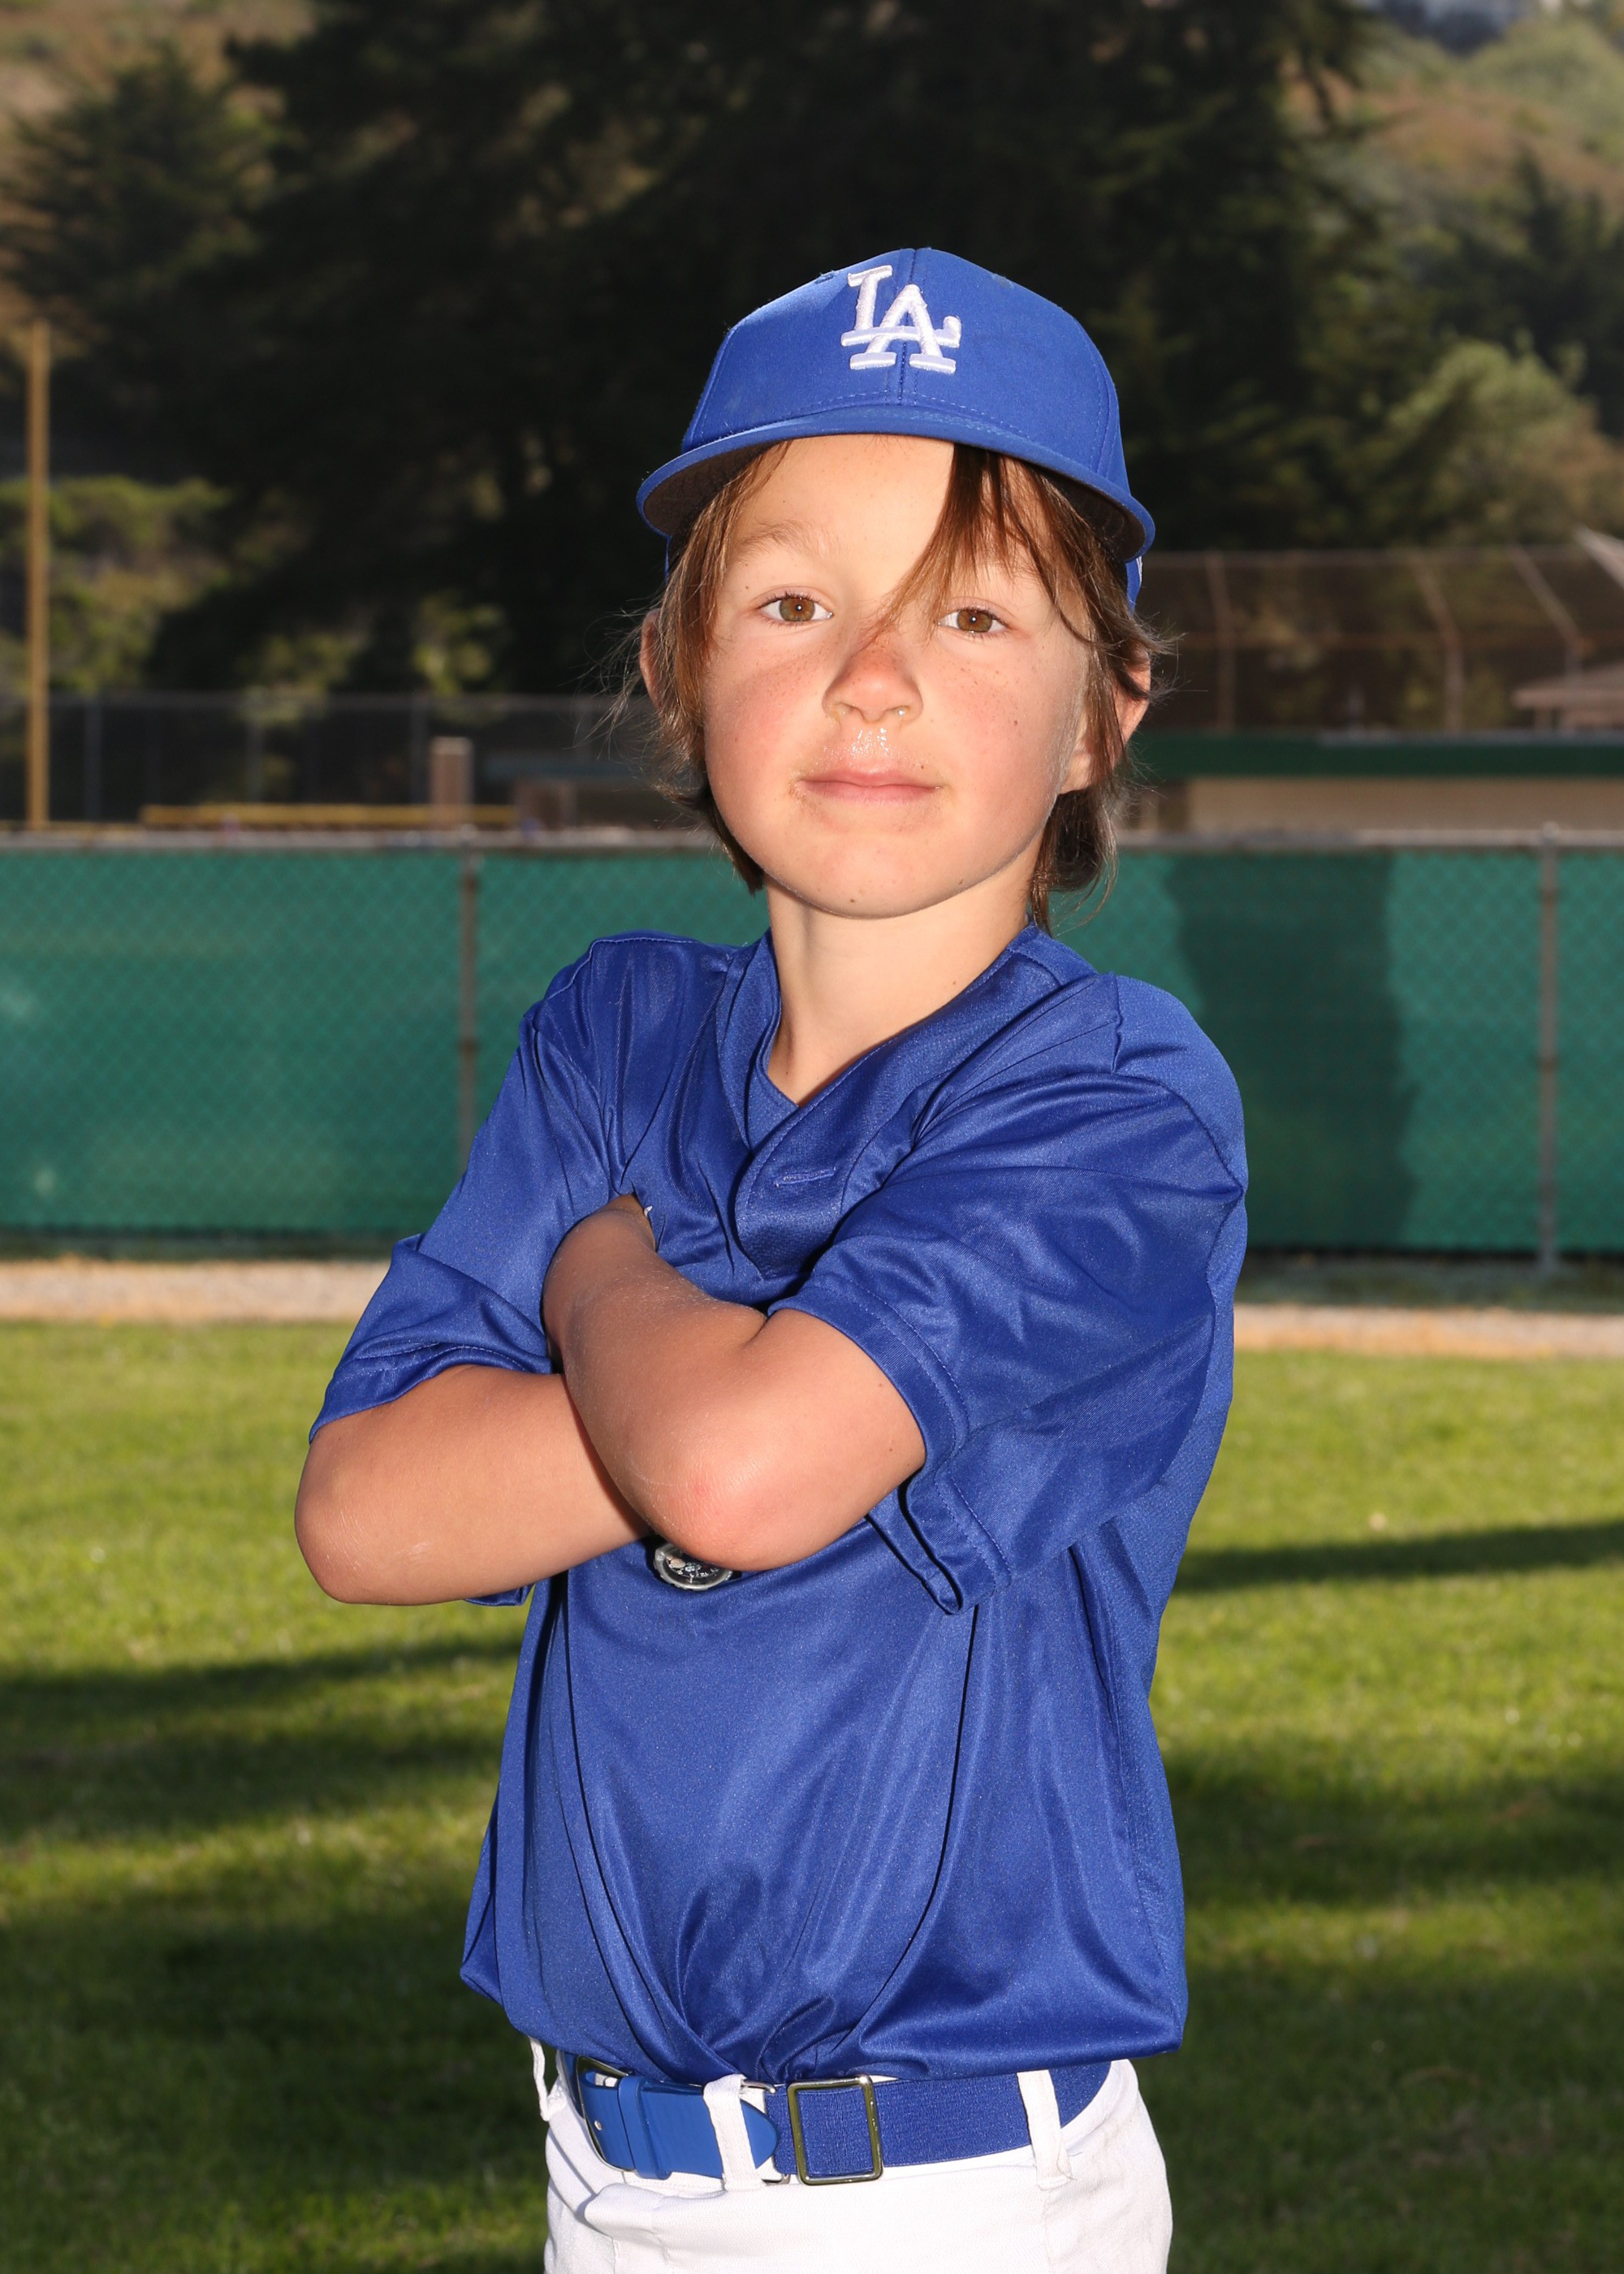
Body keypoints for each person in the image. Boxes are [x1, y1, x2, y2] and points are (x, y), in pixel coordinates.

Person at [296, 248, 1246, 2272]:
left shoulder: (1117, 1101)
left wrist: (599, 1284)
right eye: (793, 603)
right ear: (673, 668)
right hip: (607, 2171)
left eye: (973, 613)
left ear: (1106, 712)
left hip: (947, 2192)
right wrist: (722, 1378)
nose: (872, 677)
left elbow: (741, 1476)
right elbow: (369, 1509)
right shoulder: (617, 1029)